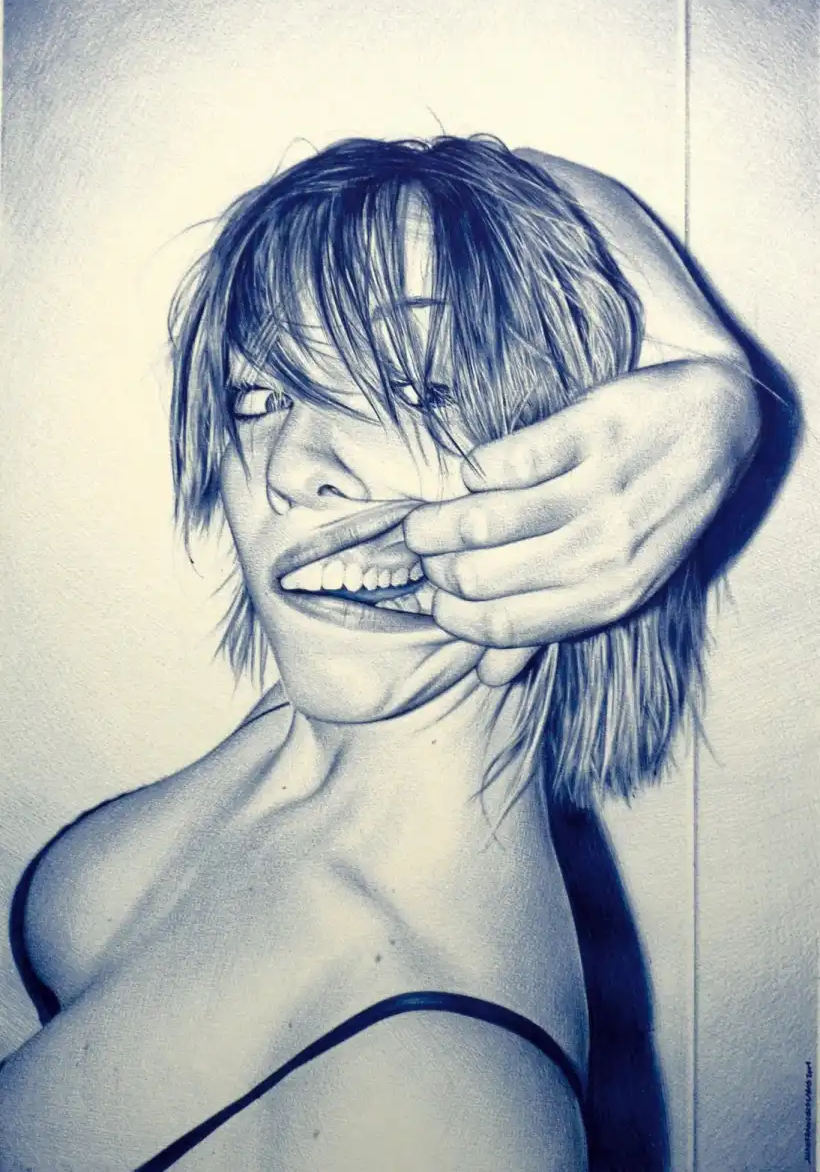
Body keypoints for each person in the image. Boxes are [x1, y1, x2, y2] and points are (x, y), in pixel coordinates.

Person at [0, 136, 760, 1171]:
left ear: (581, 461)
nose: (292, 467)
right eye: (261, 393)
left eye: (419, 386)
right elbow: (490, 191)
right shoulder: (327, 713)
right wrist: (717, 380)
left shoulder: (444, 1107)